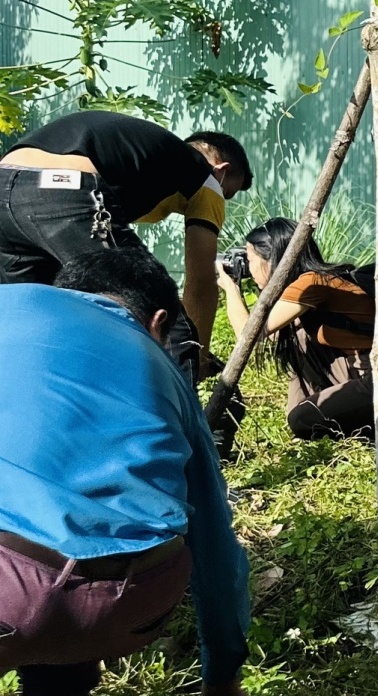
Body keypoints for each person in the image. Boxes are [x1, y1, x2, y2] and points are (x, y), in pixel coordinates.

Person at [0, 250, 249, 696]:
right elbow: (215, 543)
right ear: (158, 322)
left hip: (13, 591)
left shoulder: (12, 305)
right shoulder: (166, 374)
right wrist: (223, 676)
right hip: (140, 600)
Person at [0, 110, 253, 376]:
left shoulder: (143, 158)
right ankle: (180, 412)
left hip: (5, 182)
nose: (220, 201)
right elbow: (201, 282)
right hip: (64, 185)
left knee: (30, 320)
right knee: (162, 313)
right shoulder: (208, 180)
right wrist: (198, 360)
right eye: (228, 193)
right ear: (221, 171)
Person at [215, 218, 376, 441]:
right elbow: (271, 337)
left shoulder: (310, 283)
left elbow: (249, 335)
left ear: (271, 259)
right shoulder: (310, 281)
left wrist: (230, 288)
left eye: (249, 259)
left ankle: (356, 424)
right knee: (297, 336)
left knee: (301, 420)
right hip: (359, 368)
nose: (248, 269)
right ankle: (327, 413)